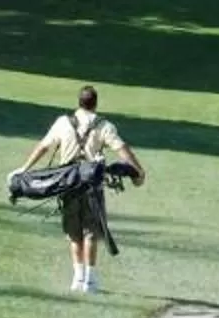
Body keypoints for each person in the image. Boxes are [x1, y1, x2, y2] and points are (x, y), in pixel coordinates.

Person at [19, 85, 144, 294]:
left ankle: (77, 278)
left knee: (72, 231)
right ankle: (90, 280)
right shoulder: (104, 125)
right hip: (91, 185)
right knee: (91, 232)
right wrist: (138, 171)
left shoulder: (62, 122)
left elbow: (43, 147)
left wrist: (24, 168)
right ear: (95, 103)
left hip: (66, 182)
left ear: (79, 102)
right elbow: (122, 150)